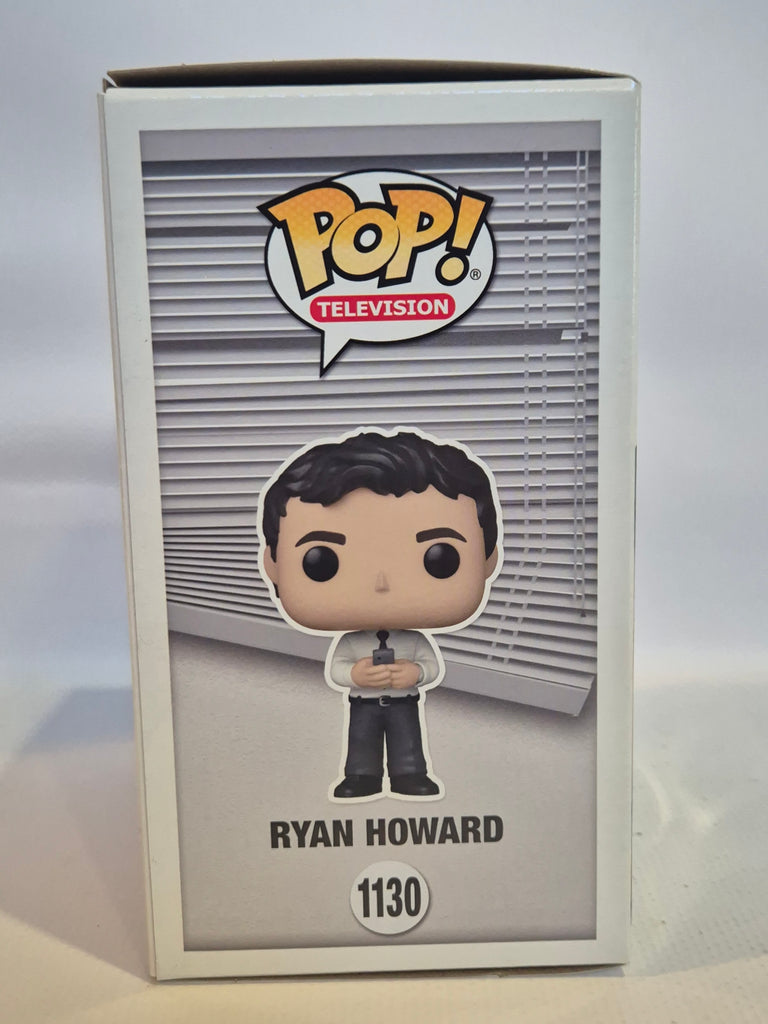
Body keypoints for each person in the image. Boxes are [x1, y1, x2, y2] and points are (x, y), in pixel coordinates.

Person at [259, 428, 501, 800]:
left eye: (440, 558)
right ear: (273, 566)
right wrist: (355, 675)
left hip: (404, 700)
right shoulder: (350, 643)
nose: (381, 582)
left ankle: (409, 775)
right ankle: (361, 777)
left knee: (408, 741)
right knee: (361, 742)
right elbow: (337, 670)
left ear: (487, 559)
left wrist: (415, 673)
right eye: (321, 562)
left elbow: (431, 667)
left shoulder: (414, 641)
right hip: (363, 702)